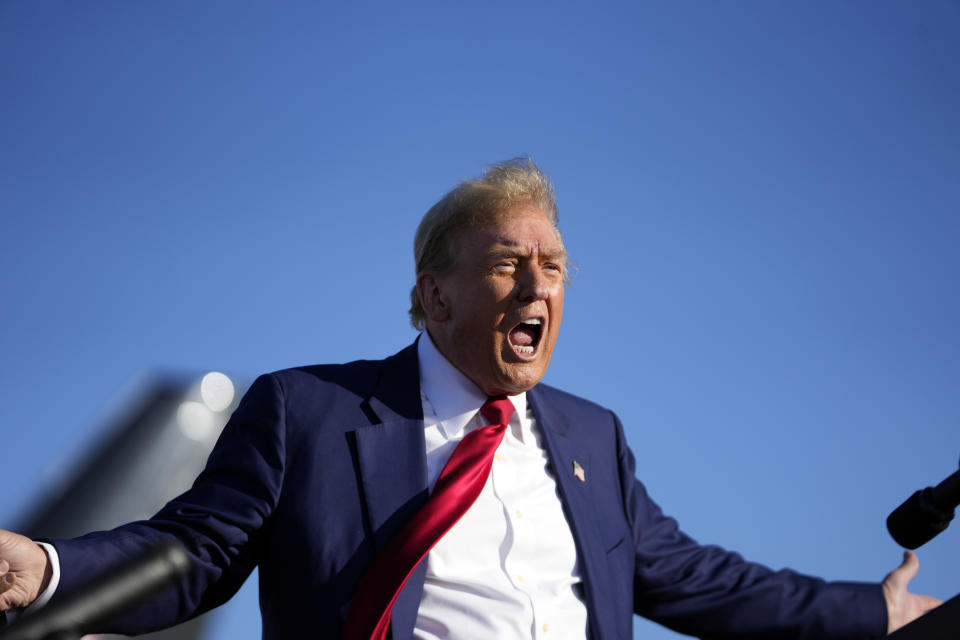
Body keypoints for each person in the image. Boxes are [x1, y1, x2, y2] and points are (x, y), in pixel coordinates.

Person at [0, 159, 942, 638]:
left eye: (556, 267)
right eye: (507, 264)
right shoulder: (307, 413)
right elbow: (193, 552)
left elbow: (698, 578)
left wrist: (873, 613)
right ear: (435, 294)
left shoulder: (592, 438)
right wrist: (42, 569)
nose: (538, 287)